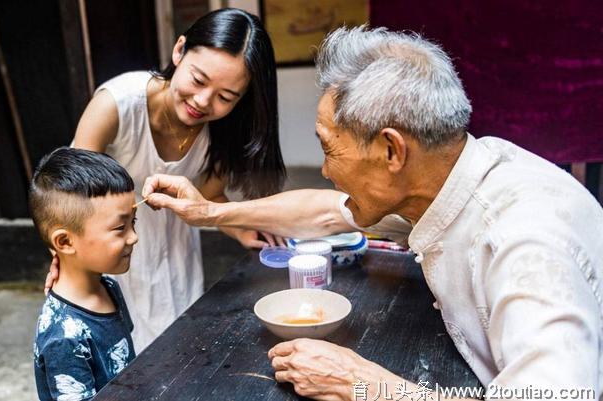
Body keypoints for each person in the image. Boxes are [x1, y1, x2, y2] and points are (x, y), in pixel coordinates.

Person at [140, 26, 603, 400]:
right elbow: (323, 212)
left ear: (390, 150)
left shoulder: (523, 244)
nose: (323, 170)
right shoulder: (451, 176)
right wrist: (208, 212)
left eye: (328, 149)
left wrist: (362, 384)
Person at [46, 8, 287, 350]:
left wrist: (242, 227)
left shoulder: (224, 129)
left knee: (177, 355)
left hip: (177, 262)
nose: (203, 102)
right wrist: (66, 266)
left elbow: (210, 198)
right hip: (112, 262)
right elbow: (65, 196)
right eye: (198, 80)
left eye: (225, 97)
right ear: (179, 50)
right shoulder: (117, 106)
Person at [31, 148, 138, 401]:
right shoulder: (63, 337)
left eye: (134, 222)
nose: (134, 237)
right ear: (65, 242)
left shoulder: (109, 286)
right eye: (120, 227)